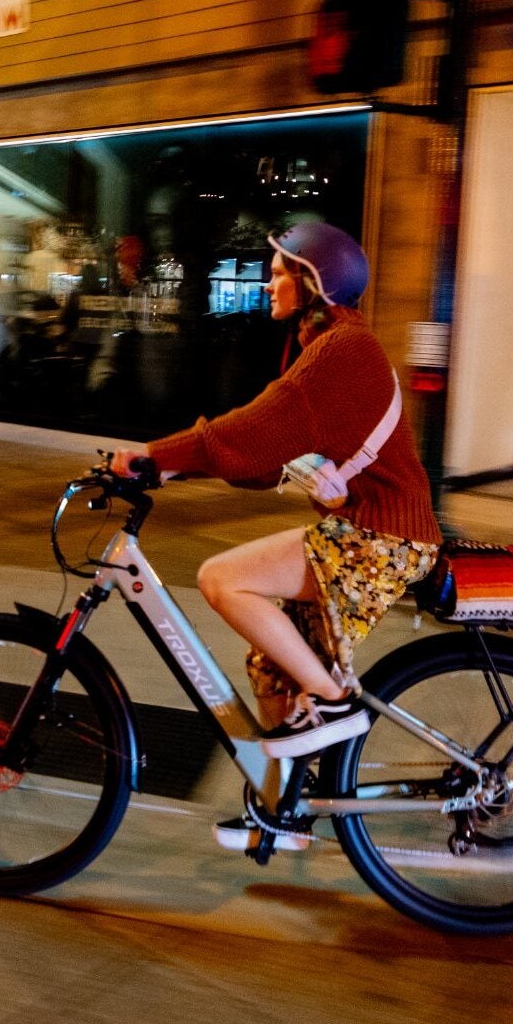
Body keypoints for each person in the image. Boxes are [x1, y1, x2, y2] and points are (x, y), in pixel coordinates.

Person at [110, 222, 441, 854]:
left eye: (280, 270)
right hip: (366, 530)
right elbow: (261, 460)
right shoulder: (325, 345)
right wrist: (171, 467)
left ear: (313, 282)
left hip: (383, 536)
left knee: (222, 579)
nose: (268, 281)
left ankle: (335, 702)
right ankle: (284, 810)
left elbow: (251, 432)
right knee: (272, 662)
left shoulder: (343, 350)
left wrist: (151, 454)